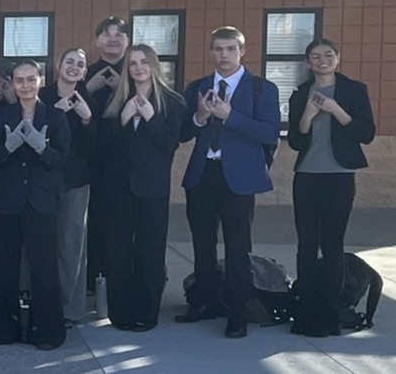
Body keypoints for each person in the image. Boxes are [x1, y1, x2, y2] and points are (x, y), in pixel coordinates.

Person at [176, 26, 280, 339]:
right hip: (203, 173)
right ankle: (203, 302)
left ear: (242, 51)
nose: (224, 56)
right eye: (218, 49)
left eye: (230, 49)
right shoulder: (198, 86)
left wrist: (229, 115)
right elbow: (182, 132)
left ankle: (238, 313)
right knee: (202, 243)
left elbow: (269, 133)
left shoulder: (262, 88)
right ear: (210, 52)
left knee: (238, 248)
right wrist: (200, 116)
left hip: (239, 178)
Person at [286, 37, 375, 337]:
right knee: (306, 245)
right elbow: (297, 142)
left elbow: (366, 134)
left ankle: (329, 314)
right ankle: (306, 312)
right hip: (308, 176)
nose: (321, 60)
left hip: (339, 176)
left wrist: (337, 110)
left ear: (337, 58)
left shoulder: (354, 90)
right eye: (315, 56)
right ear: (308, 62)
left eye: (327, 55)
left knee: (332, 245)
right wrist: (307, 117)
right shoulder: (300, 94)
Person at [97, 43, 184, 332]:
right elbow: (104, 146)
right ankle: (120, 313)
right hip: (118, 189)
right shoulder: (114, 99)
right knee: (118, 251)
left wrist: (150, 117)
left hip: (152, 188)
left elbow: (170, 143)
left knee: (150, 252)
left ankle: (147, 313)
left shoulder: (171, 102)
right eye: (133, 63)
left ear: (154, 66)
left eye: (144, 62)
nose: (138, 68)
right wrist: (123, 119)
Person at [0, 61, 70, 350]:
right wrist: (8, 147)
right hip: (7, 201)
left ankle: (48, 332)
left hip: (41, 200)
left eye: (30, 79)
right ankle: (3, 329)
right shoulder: (2, 115)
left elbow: (62, 160)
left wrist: (41, 147)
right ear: (12, 83)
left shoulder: (56, 117)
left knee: (44, 269)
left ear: (41, 81)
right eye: (19, 80)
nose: (25, 85)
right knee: (5, 266)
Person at [44, 47, 96, 323]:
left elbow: (97, 147)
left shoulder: (89, 100)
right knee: (42, 243)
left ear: (85, 72)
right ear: (59, 66)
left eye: (80, 64)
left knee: (72, 244)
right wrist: (54, 114)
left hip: (76, 181)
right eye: (70, 62)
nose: (74, 67)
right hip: (43, 180)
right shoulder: (43, 97)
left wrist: (88, 119)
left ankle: (69, 309)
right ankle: (41, 301)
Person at [84, 16, 130, 288]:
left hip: (127, 164)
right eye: (106, 34)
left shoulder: (137, 72)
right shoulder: (86, 73)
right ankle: (93, 280)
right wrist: (88, 90)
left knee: (124, 225)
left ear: (128, 41)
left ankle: (121, 280)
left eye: (119, 34)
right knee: (95, 224)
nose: (113, 39)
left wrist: (122, 91)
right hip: (92, 162)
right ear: (97, 40)